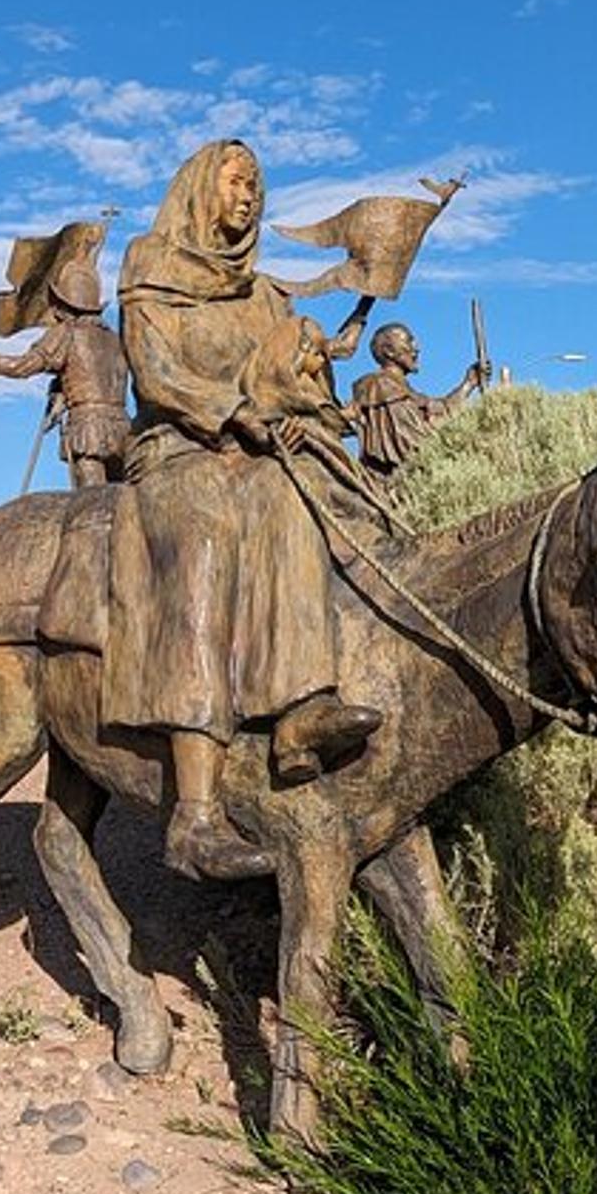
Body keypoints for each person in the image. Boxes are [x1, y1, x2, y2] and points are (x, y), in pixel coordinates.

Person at [105, 139, 381, 880]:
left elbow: (292, 367)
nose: (250, 194)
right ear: (201, 189)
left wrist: (298, 408)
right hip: (178, 450)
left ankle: (300, 711)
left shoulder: (264, 294)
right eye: (236, 180)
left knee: (296, 502)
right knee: (206, 527)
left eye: (257, 183)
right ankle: (194, 814)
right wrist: (231, 410)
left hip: (256, 456)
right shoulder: (149, 266)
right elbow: (156, 374)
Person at [0, 262, 130, 487]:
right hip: (123, 432)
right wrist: (61, 386)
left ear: (61, 305)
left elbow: (21, 367)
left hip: (87, 432)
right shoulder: (116, 340)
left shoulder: (66, 333)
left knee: (92, 508)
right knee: (122, 509)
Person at [345, 322, 487, 481]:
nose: (416, 348)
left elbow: (439, 408)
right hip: (398, 485)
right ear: (389, 351)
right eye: (409, 341)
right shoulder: (383, 388)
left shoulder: (402, 390)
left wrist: (469, 383)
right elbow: (415, 442)